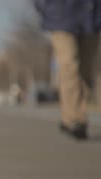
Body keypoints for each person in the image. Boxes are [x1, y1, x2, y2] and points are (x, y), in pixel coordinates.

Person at [34, 0, 101, 140]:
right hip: (61, 18)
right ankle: (76, 119)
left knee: (86, 71)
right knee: (69, 66)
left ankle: (68, 117)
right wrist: (48, 9)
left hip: (92, 18)